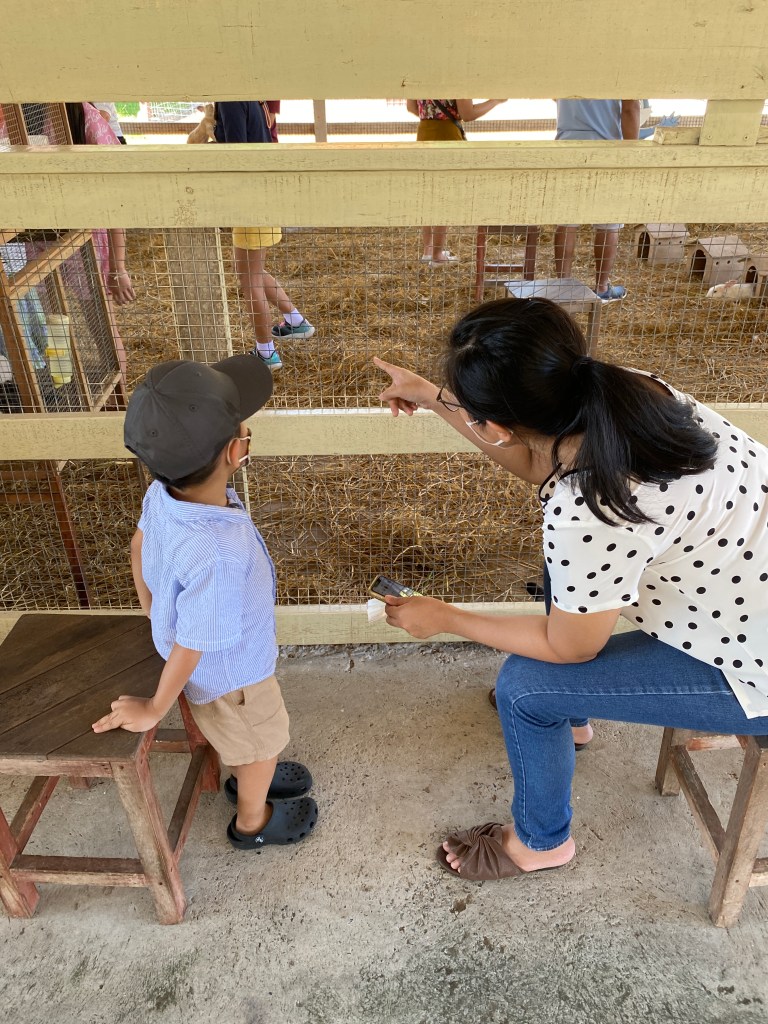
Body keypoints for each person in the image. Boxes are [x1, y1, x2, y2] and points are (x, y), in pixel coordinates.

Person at [373, 296, 768, 883]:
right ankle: (575, 713)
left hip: (752, 663)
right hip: (742, 590)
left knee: (526, 688)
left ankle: (539, 842)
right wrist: (435, 397)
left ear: (499, 426)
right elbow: (543, 464)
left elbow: (571, 647)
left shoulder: (587, 508)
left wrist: (447, 617)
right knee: (568, 581)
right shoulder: (626, 391)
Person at [92, 355, 318, 850]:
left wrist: (155, 609)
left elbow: (138, 545)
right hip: (234, 676)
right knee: (263, 743)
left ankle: (244, 771)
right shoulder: (218, 550)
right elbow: (195, 642)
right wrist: (155, 706)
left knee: (243, 738)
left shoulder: (161, 495)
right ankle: (253, 821)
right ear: (238, 450)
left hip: (209, 666)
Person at [214, 101, 314, 369]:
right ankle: (294, 321)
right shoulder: (252, 99)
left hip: (250, 200)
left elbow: (236, 152)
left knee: (249, 281)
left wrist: (211, 131)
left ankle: (266, 352)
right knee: (249, 271)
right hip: (262, 196)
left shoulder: (231, 99)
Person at [64, 102, 136, 380]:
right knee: (55, 325)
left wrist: (118, 268)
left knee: (102, 325)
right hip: (44, 239)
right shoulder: (20, 117)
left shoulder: (88, 118)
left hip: (88, 242)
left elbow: (115, 201)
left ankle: (117, 396)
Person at [553, 99, 640, 302]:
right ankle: (601, 287)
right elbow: (630, 108)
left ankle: (563, 285)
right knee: (608, 223)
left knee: (567, 222)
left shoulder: (566, 65)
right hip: (607, 145)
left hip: (567, 143)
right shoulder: (623, 67)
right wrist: (632, 153)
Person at [406, 99, 506, 266]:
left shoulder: (419, 73)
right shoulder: (457, 77)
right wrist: (495, 101)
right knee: (443, 196)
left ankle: (428, 250)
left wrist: (431, 116)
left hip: (424, 133)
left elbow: (411, 107)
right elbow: (468, 114)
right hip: (447, 135)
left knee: (427, 194)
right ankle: (438, 255)